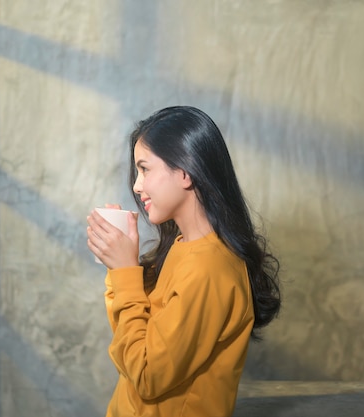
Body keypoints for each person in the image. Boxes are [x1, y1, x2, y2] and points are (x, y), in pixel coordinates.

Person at [86, 106, 281, 417]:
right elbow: (132, 346)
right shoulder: (182, 248)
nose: (137, 185)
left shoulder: (210, 269)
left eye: (145, 169)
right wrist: (120, 270)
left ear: (185, 172)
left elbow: (148, 377)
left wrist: (125, 272)